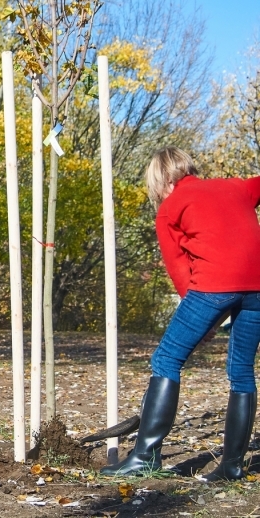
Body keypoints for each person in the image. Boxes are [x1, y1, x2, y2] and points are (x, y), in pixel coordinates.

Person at [101, 147, 260, 481]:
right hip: (258, 286)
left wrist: (205, 323)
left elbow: (180, 272)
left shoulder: (169, 209)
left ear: (161, 180)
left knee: (167, 360)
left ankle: (145, 456)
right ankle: (231, 466)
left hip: (213, 286)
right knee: (242, 372)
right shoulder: (236, 186)